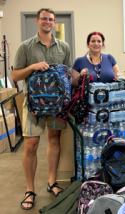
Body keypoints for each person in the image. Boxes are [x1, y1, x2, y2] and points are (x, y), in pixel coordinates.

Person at [12, 8, 71, 210]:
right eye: (44, 19)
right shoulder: (25, 47)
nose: (47, 22)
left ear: (54, 23)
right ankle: (30, 190)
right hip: (33, 104)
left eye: (51, 20)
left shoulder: (64, 47)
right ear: (37, 21)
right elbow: (15, 76)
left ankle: (52, 182)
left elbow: (68, 75)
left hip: (57, 105)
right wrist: (33, 67)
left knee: (54, 141)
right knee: (31, 145)